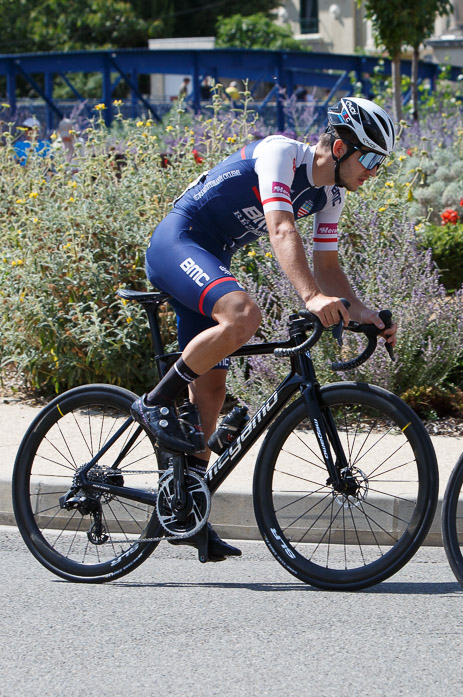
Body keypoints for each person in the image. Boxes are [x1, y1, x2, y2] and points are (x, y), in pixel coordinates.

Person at [133, 97, 398, 561]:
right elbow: (280, 229)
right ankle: (152, 405)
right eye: (371, 158)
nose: (373, 171)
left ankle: (188, 510)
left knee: (212, 389)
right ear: (339, 147)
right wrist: (311, 298)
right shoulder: (281, 153)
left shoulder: (330, 194)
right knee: (243, 315)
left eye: (381, 163)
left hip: (211, 256)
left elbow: (328, 266)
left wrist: (367, 315)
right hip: (179, 240)